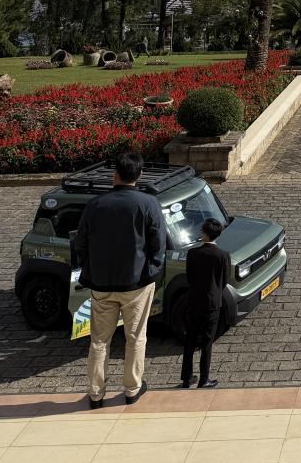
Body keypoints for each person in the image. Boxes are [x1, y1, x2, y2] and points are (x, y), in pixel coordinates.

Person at [75, 148, 168, 409]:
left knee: (99, 340)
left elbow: (80, 243)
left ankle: (96, 394)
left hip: (101, 284)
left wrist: (90, 268)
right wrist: (151, 270)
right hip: (136, 283)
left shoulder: (95, 205)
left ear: (114, 174)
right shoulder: (148, 203)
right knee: (135, 337)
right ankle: (132, 389)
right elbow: (158, 243)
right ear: (140, 174)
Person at [179, 218, 231, 390]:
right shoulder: (223, 255)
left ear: (205, 234)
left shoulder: (193, 253)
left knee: (190, 340)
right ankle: (204, 378)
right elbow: (224, 280)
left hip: (193, 300)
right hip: (212, 303)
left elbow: (189, 277)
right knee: (207, 342)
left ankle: (187, 378)